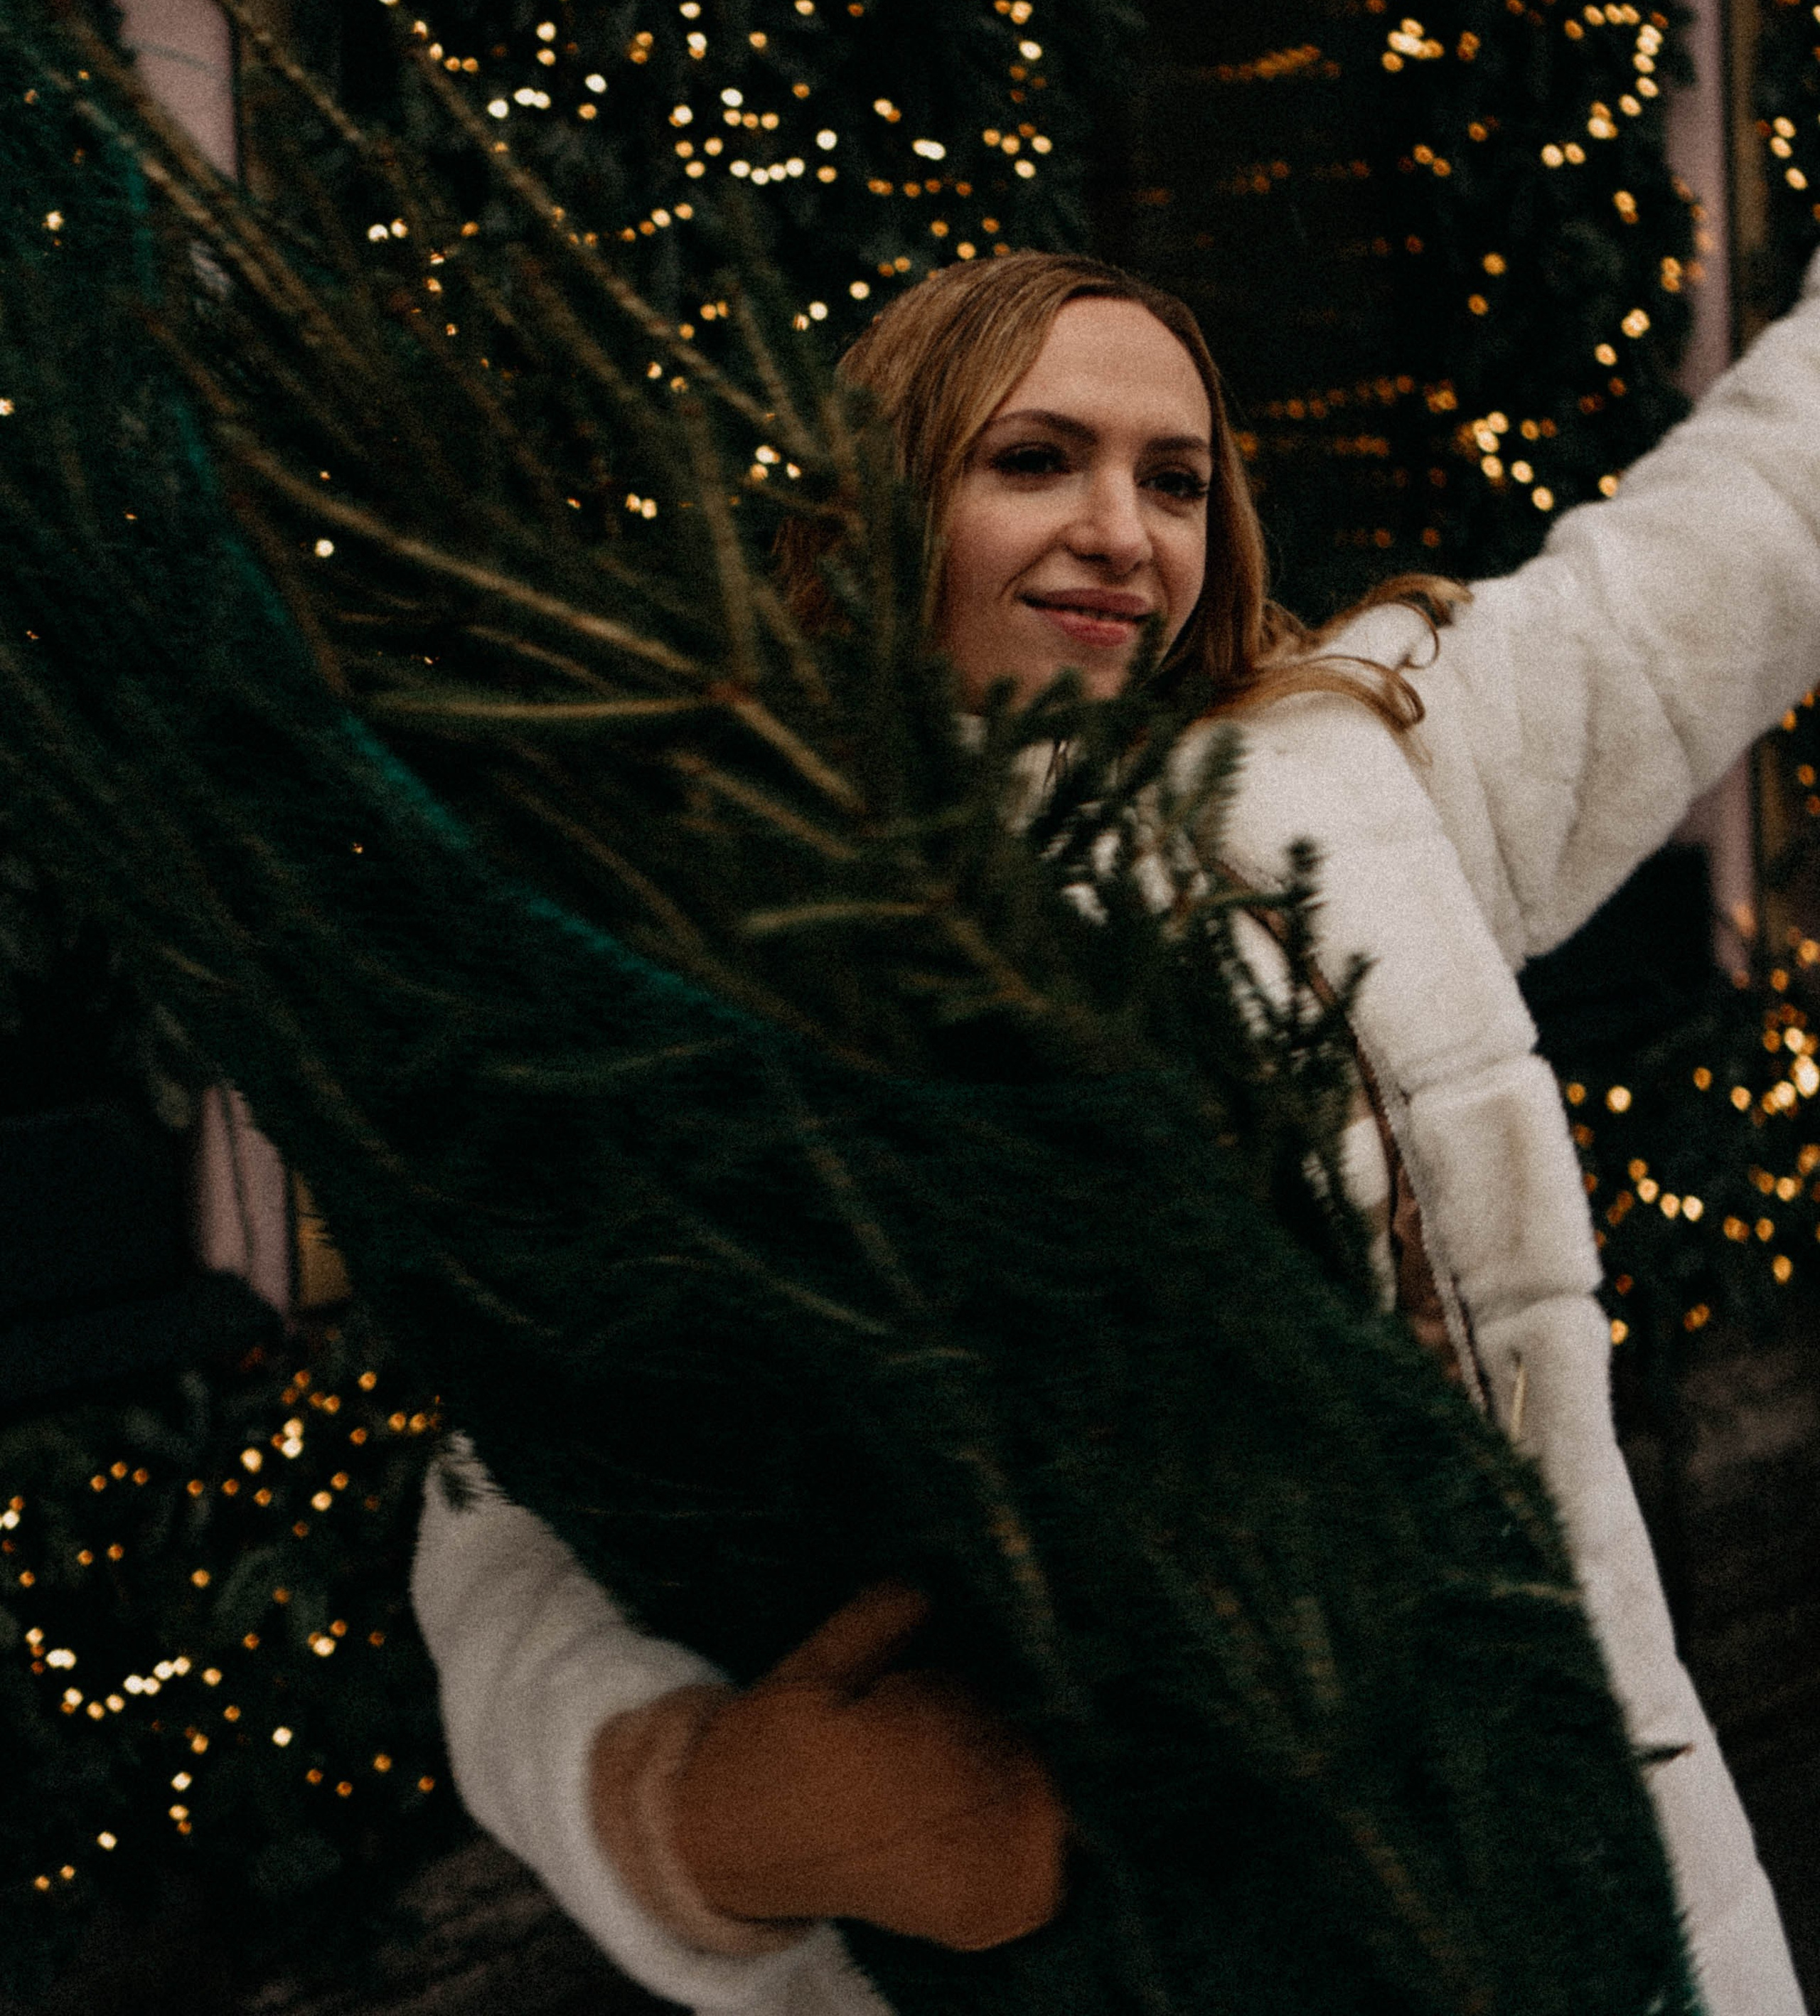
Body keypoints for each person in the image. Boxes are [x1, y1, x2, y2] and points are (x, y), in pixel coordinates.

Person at [413, 249, 1815, 2016]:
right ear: (876, 499)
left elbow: (1737, 532)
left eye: (1173, 480)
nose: (1120, 533)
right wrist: (704, 1817)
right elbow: (505, 1534)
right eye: (1032, 461)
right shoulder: (716, 948)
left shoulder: (1344, 778)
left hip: (1583, 1898)